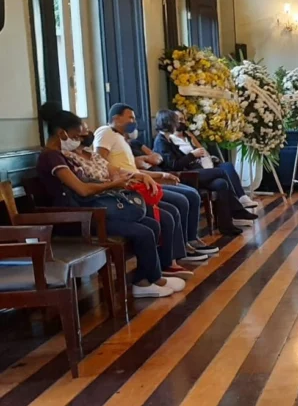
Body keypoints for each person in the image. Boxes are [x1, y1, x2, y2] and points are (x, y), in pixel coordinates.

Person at [35, 103, 185, 298]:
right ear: (62, 133)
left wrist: (121, 180)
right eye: (76, 136)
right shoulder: (51, 158)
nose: (79, 140)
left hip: (87, 211)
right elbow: (82, 189)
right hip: (74, 218)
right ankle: (143, 283)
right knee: (143, 231)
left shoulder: (62, 155)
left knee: (150, 223)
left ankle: (152, 278)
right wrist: (113, 185)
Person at [95, 105, 220, 262]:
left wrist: (161, 174)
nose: (134, 121)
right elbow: (101, 163)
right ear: (116, 118)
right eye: (130, 118)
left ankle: (190, 240)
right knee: (181, 200)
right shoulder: (105, 132)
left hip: (140, 180)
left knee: (191, 194)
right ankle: (181, 251)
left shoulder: (122, 139)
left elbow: (133, 168)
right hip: (129, 186)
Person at [153, 109, 259, 234]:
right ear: (169, 122)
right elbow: (174, 165)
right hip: (181, 176)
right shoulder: (161, 141)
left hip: (190, 172)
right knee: (221, 172)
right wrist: (192, 155)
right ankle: (237, 209)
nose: (178, 123)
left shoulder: (168, 139)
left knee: (221, 184)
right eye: (176, 121)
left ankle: (226, 226)